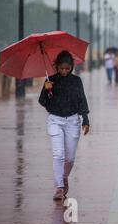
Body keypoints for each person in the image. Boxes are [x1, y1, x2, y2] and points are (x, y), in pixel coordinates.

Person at [38, 50, 90, 201]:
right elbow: (43, 102)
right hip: (55, 120)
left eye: (67, 68)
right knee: (58, 155)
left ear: (72, 67)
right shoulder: (50, 80)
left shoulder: (76, 81)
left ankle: (64, 176)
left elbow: (82, 100)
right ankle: (59, 187)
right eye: (61, 68)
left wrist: (85, 119)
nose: (64, 71)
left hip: (73, 121)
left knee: (70, 159)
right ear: (57, 67)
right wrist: (47, 90)